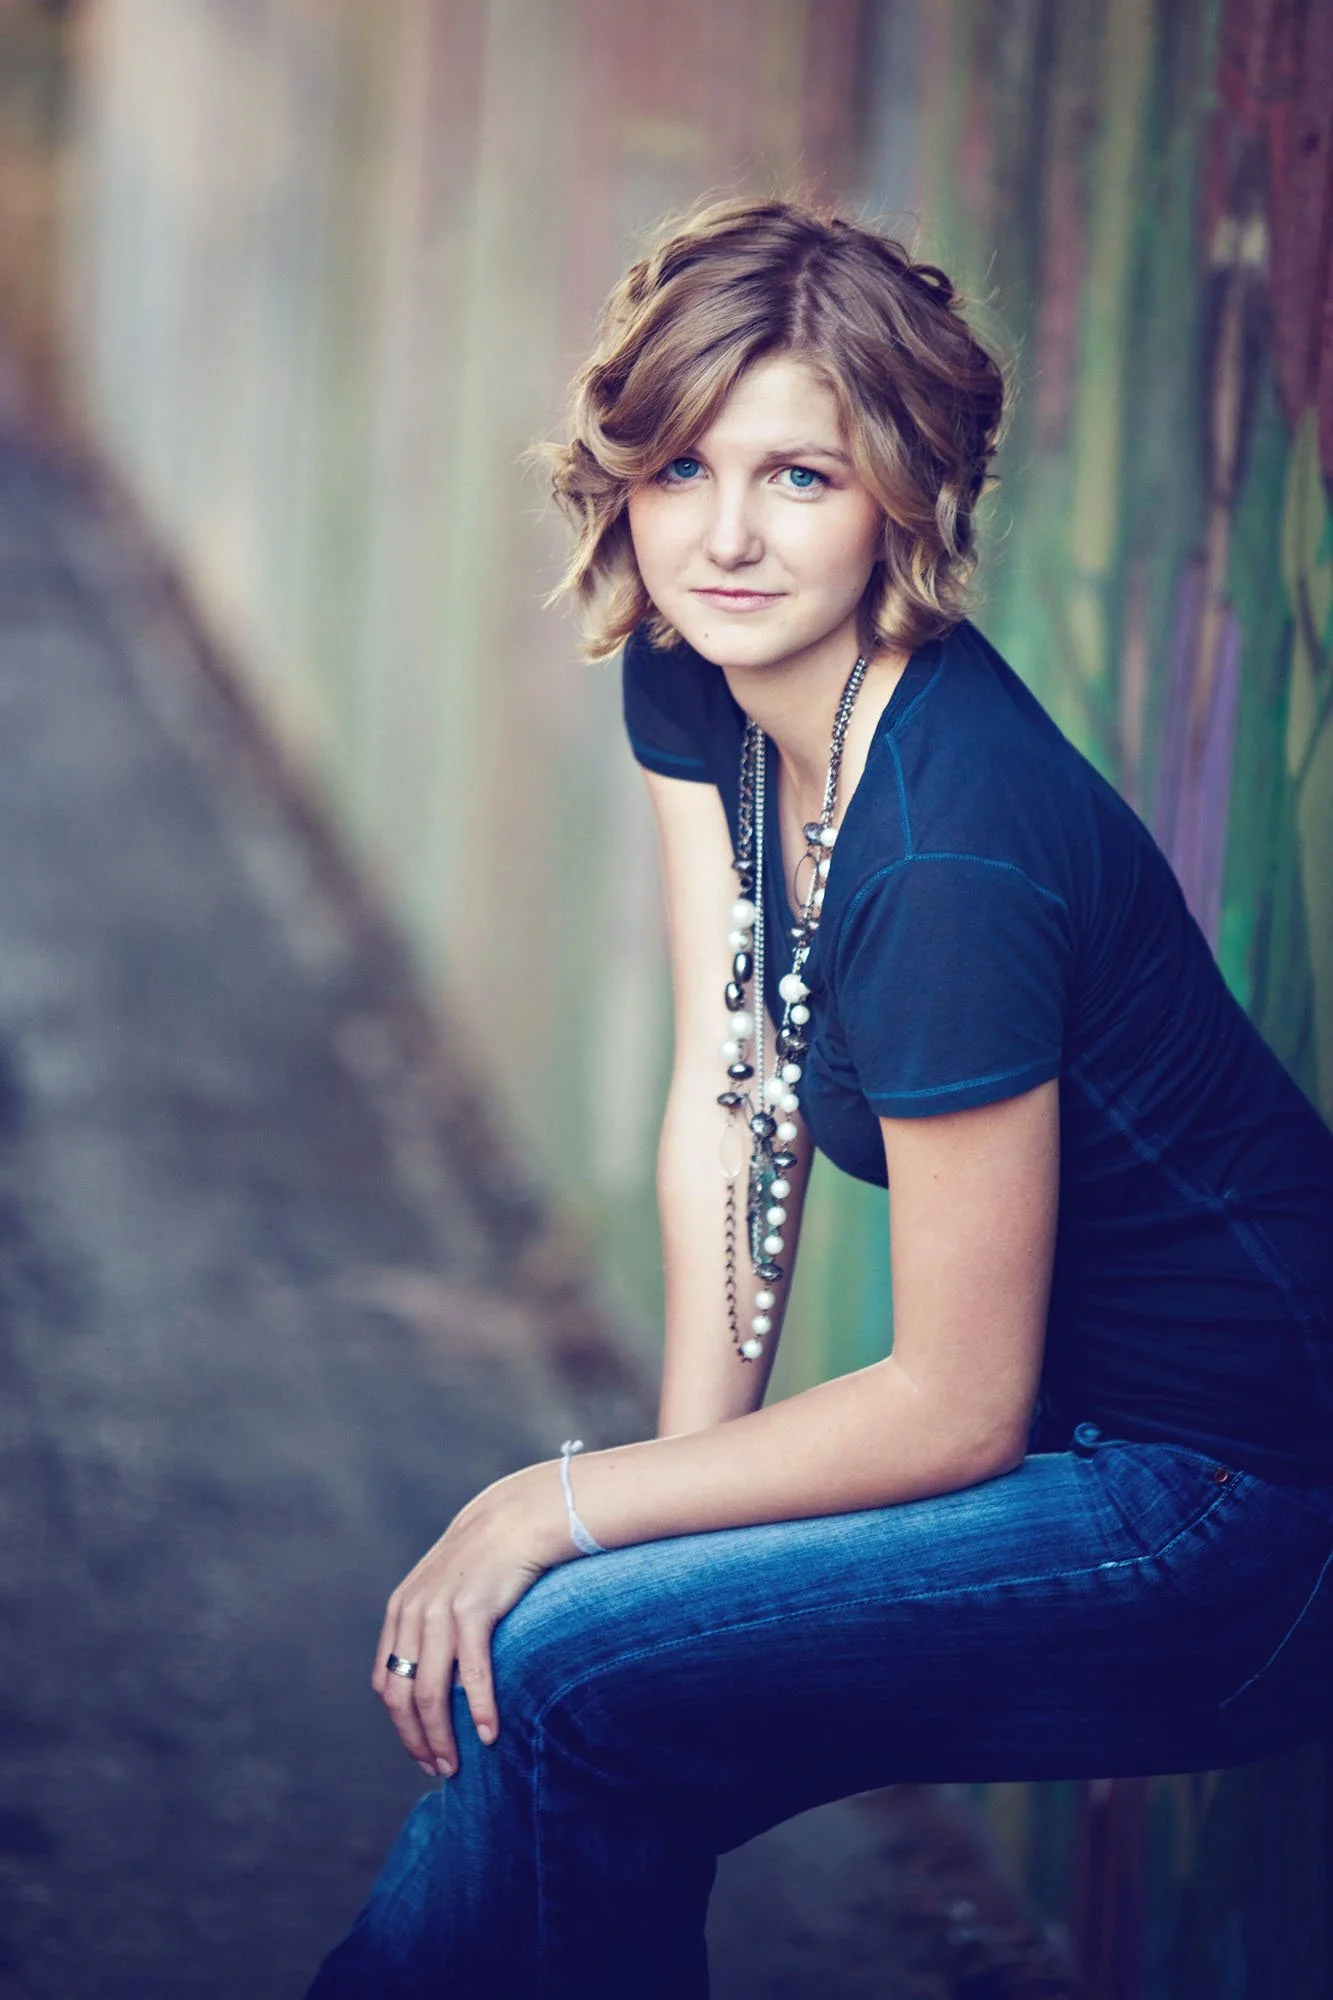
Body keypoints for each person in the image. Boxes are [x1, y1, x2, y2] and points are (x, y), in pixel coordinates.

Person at [306, 196, 1333, 1999]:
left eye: (800, 477)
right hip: (1096, 1451)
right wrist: (650, 1496)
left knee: (563, 1655)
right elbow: (737, 1088)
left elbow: (952, 1406)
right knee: (583, 1667)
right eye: (685, 464)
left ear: (903, 499)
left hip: (1239, 1512)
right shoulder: (706, 685)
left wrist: (557, 1507)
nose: (724, 537)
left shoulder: (953, 851)